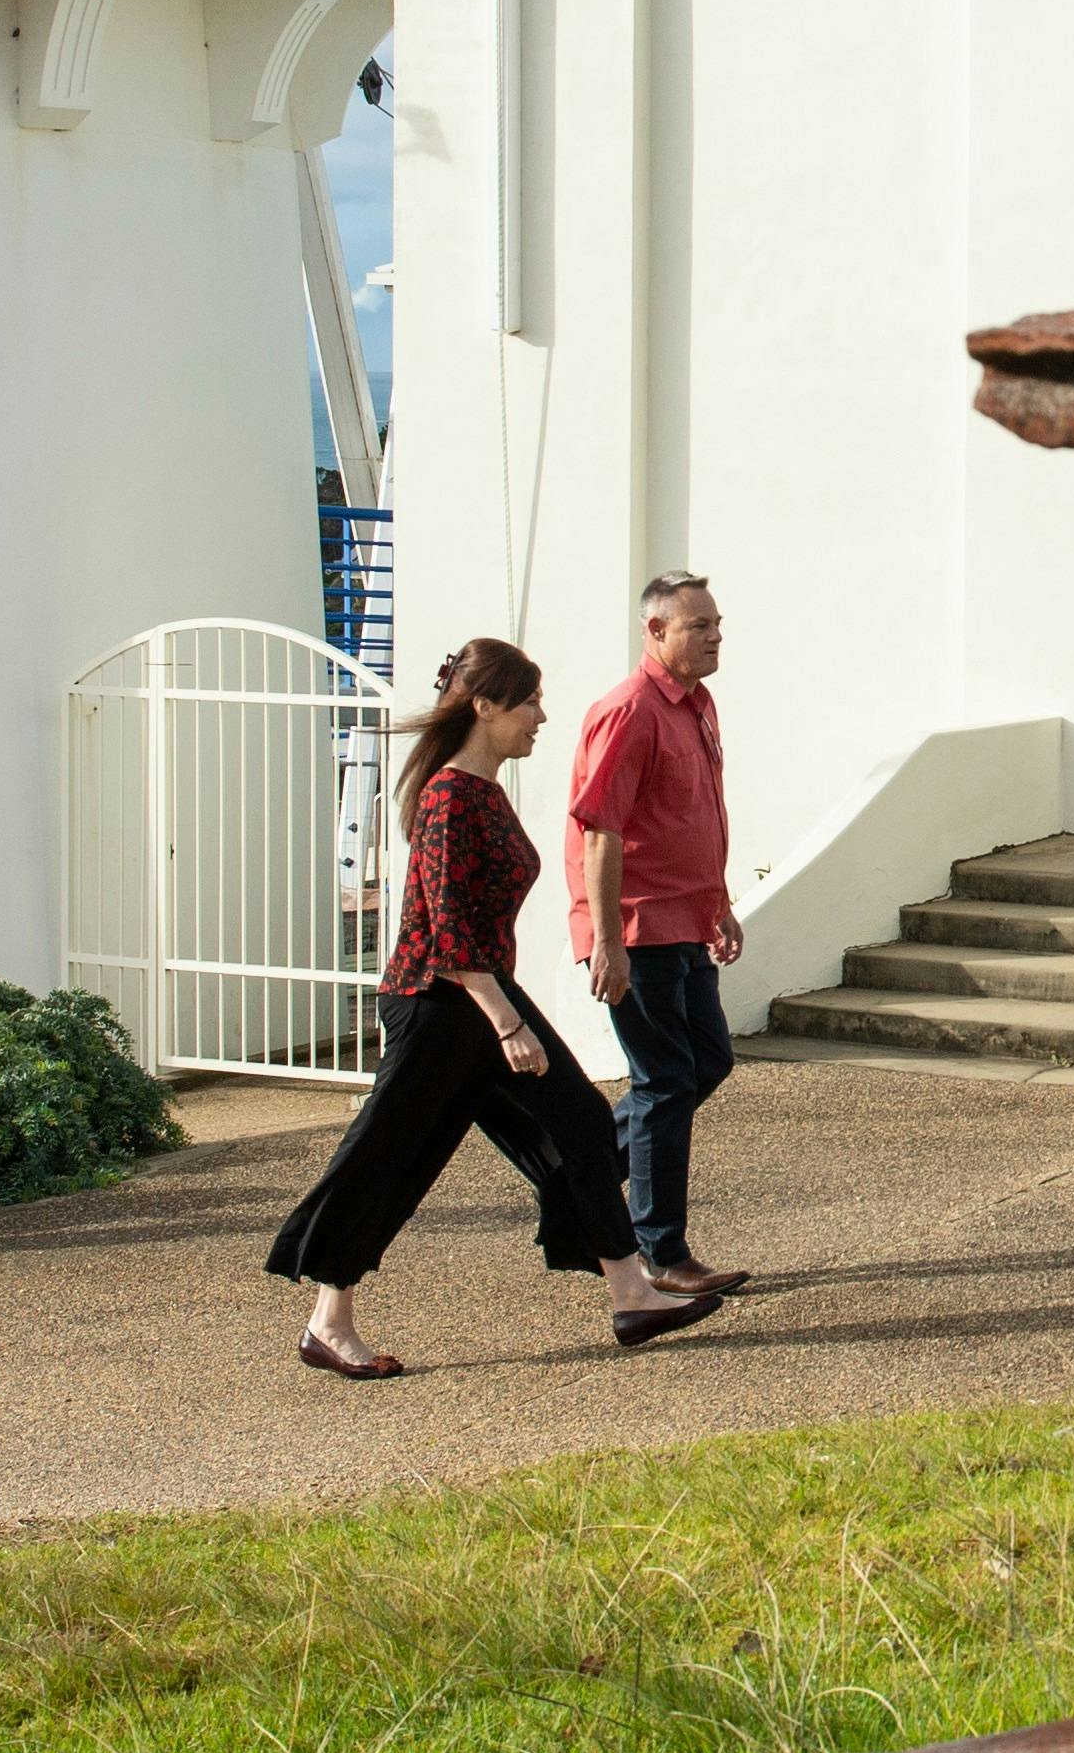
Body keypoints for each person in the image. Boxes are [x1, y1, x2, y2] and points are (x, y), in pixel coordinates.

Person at [264, 637, 722, 1374]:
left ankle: (631, 1291)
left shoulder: (485, 791)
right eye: (529, 701)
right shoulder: (449, 797)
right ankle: (328, 1321)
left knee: (581, 1121)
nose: (541, 716)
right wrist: (507, 1024)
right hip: (439, 1003)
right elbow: (448, 933)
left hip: (480, 996)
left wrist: (501, 1012)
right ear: (484, 705)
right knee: (390, 1157)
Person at [569, 570, 750, 1298]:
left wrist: (718, 902)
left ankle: (577, 1180)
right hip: (638, 929)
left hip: (686, 920)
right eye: (699, 625)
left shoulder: (698, 704)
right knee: (665, 1079)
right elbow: (601, 832)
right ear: (656, 630)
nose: (715, 636)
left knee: (706, 1062)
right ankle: (660, 1252)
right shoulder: (629, 711)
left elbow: (690, 819)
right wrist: (607, 940)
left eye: (716, 623)